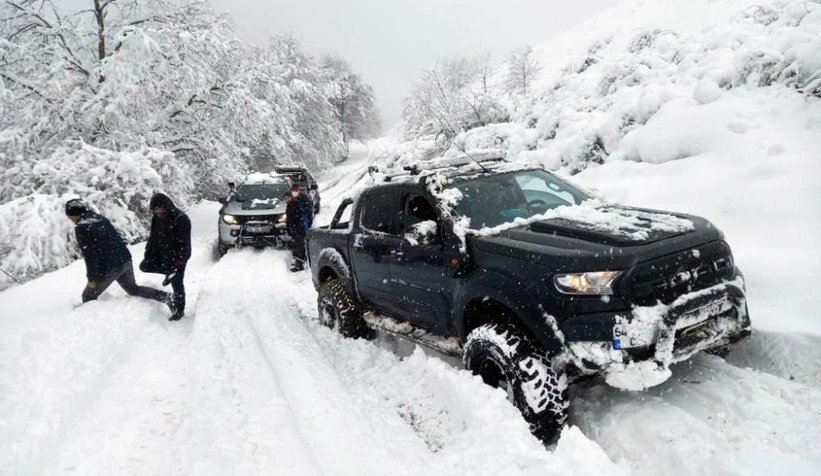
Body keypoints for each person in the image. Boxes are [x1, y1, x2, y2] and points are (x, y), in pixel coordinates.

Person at [65, 198, 172, 313]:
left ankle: (90, 321)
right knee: (133, 289)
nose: (69, 218)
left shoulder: (82, 228)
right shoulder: (100, 218)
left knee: (88, 296)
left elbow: (90, 256)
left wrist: (92, 279)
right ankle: (168, 297)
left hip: (111, 267)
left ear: (75, 213)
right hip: (125, 260)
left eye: (69, 215)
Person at [139, 193, 191, 321]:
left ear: (166, 206)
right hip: (162, 255)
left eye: (159, 208)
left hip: (177, 258)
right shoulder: (156, 218)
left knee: (177, 283)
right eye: (155, 209)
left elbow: (184, 244)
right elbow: (153, 237)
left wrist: (179, 262)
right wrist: (148, 253)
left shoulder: (181, 219)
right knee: (144, 266)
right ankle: (169, 273)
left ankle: (179, 310)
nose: (158, 211)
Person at [284, 183, 313, 272]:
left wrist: (304, 226)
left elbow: (306, 215)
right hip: (295, 228)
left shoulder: (303, 200)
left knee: (298, 245)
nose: (294, 192)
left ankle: (299, 263)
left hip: (300, 228)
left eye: (296, 190)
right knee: (299, 244)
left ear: (299, 190)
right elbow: (290, 218)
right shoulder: (292, 202)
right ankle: (300, 260)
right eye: (293, 191)